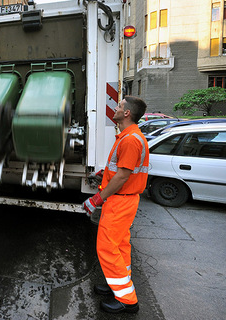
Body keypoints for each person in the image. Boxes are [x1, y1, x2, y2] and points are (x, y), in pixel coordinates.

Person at [83, 96, 149, 314]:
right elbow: (119, 169)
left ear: (127, 113)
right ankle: (119, 287)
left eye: (119, 106)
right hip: (123, 200)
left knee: (107, 247)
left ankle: (128, 300)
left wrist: (96, 199)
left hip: (120, 201)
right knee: (120, 246)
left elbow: (122, 176)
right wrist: (102, 174)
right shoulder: (127, 136)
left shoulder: (130, 140)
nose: (116, 108)